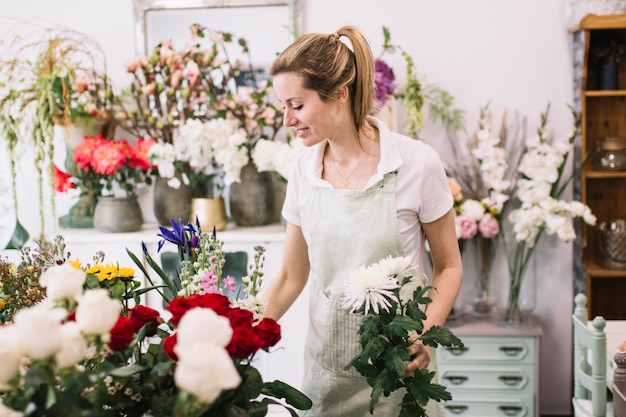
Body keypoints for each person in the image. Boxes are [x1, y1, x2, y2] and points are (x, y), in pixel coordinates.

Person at [262, 25, 463, 417]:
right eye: (283, 106)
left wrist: (426, 336)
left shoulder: (416, 163)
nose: (287, 120)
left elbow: (449, 266)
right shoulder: (304, 169)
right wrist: (242, 338)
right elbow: (290, 277)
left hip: (400, 374)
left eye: (296, 105)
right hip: (327, 377)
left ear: (339, 93)